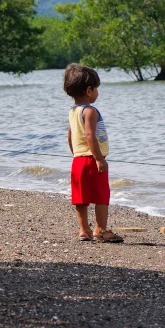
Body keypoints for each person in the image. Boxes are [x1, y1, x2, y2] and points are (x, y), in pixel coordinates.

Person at [63, 63, 122, 243]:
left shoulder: (73, 111)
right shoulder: (90, 111)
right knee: (101, 196)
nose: (97, 92)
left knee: (80, 198)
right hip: (92, 159)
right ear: (89, 90)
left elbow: (70, 136)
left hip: (78, 160)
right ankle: (101, 230)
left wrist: (75, 154)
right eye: (96, 89)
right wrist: (98, 159)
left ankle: (84, 230)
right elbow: (90, 135)